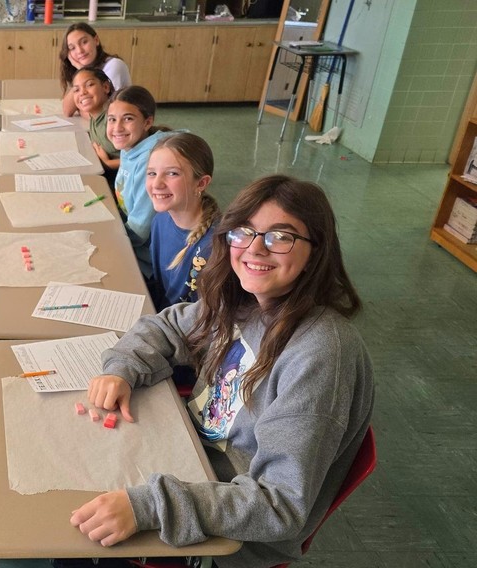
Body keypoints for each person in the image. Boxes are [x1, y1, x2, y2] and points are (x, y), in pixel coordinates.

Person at [71, 175, 374, 568]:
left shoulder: (321, 353)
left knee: (76, 542)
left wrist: (149, 507)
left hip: (229, 534)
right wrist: (123, 369)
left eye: (281, 237)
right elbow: (166, 327)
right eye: (244, 232)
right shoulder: (248, 300)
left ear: (316, 252)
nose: (255, 249)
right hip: (189, 459)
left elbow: (279, 504)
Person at [146, 132, 220, 311]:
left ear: (201, 183)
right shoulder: (160, 221)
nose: (157, 183)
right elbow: (159, 286)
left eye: (172, 173)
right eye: (152, 173)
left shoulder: (215, 247)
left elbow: (205, 318)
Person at [108, 86, 174, 281]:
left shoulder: (149, 161)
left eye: (128, 118)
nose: (117, 127)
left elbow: (139, 231)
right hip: (129, 239)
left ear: (147, 122)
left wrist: (108, 240)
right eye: (112, 119)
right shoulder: (131, 146)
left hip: (144, 262)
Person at [60, 23, 130, 117]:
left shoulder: (114, 66)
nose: (80, 51)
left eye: (84, 42)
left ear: (96, 40)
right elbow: (67, 111)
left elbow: (105, 116)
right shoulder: (83, 69)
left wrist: (81, 109)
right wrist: (82, 70)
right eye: (72, 48)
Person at [71, 67, 118, 186]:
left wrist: (108, 162)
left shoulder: (114, 119)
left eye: (89, 85)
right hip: (108, 180)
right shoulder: (94, 117)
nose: (82, 92)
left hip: (124, 186)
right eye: (76, 90)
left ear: (106, 87)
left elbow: (142, 156)